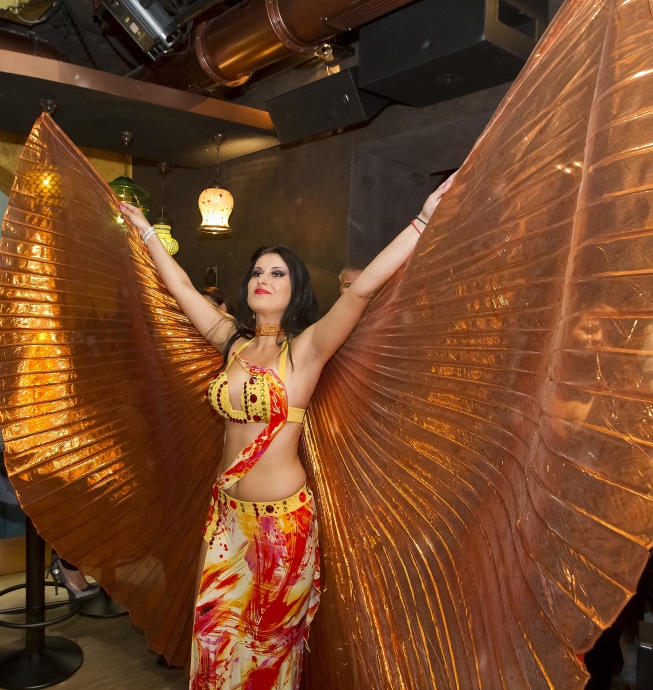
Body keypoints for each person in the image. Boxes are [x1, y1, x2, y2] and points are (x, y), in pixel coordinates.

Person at [120, 180, 452, 689]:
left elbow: (363, 290)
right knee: (213, 651)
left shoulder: (305, 350)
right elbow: (182, 289)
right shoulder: (231, 342)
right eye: (257, 271)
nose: (264, 279)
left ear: (296, 288)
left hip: (281, 530)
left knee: (266, 662)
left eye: (277, 273)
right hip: (225, 519)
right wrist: (146, 233)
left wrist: (424, 220)